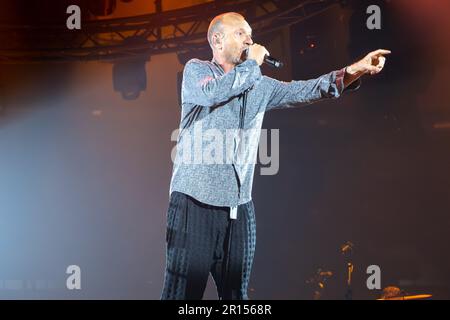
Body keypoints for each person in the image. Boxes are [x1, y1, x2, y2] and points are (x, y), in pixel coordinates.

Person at [161, 12, 390, 300]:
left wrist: (354, 70)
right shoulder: (197, 71)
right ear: (217, 40)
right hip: (193, 203)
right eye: (240, 33)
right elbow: (214, 94)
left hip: (237, 207)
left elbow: (307, 89)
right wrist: (253, 65)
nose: (249, 39)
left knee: (237, 297)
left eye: (250, 34)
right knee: (182, 296)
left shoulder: (258, 85)